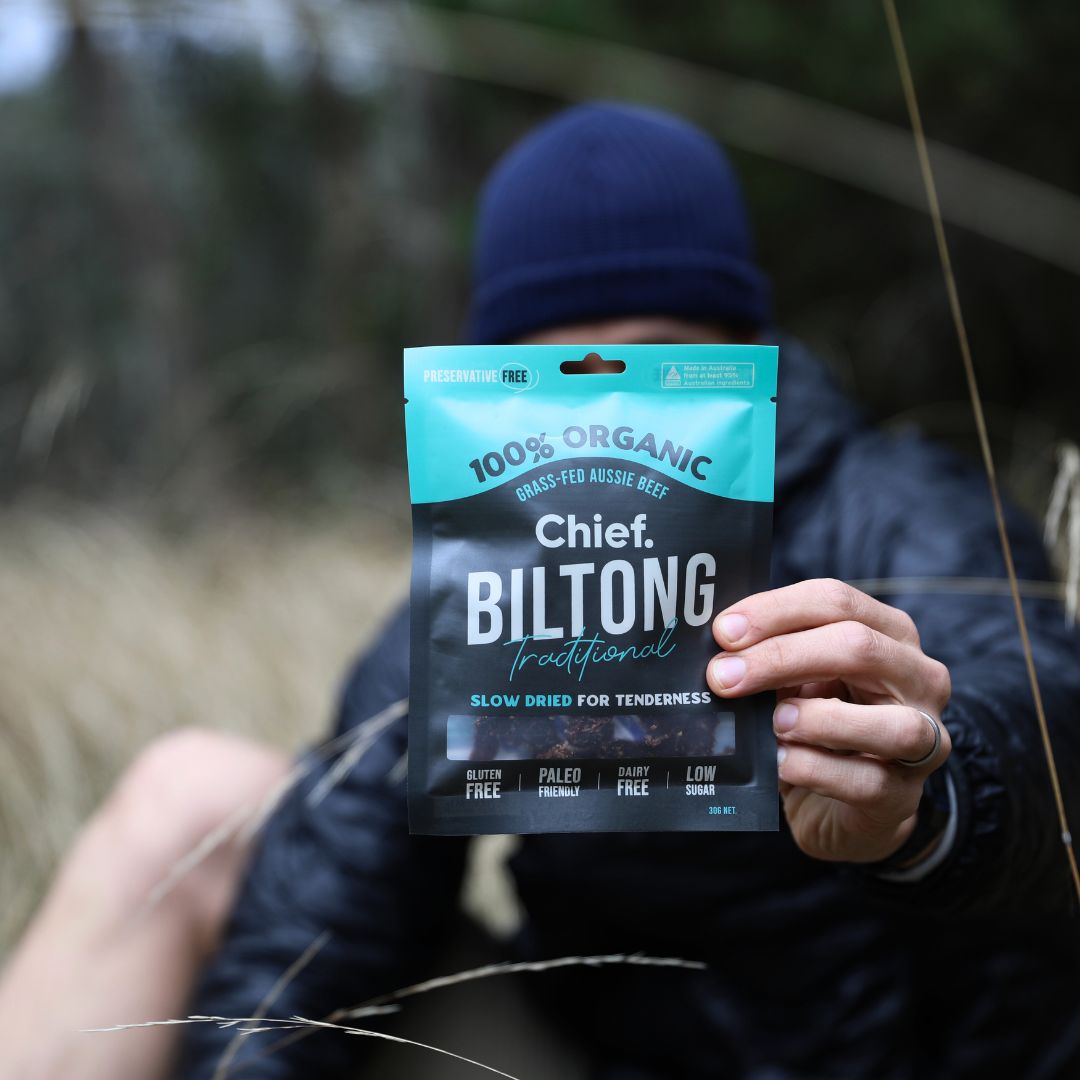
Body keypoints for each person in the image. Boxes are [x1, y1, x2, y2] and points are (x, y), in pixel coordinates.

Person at [3, 102, 1079, 1080]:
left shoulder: (896, 505)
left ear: (743, 352)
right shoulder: (484, 580)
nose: (615, 416)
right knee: (191, 795)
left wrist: (933, 797)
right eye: (560, 374)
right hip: (585, 1057)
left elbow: (1048, 729)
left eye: (660, 360)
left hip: (904, 1062)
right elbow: (332, 902)